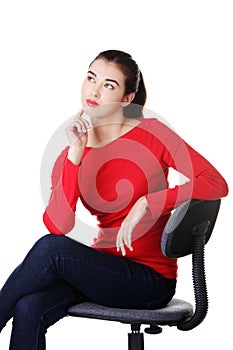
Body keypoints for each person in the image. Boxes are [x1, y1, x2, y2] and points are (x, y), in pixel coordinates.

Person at [0, 50, 228, 349]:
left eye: (108, 85)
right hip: (101, 271)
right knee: (28, 307)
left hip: (149, 280)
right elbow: (59, 225)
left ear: (126, 98)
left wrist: (151, 200)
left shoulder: (153, 134)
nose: (93, 90)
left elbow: (216, 183)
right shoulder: (71, 155)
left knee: (50, 250)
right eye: (91, 78)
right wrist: (74, 158)